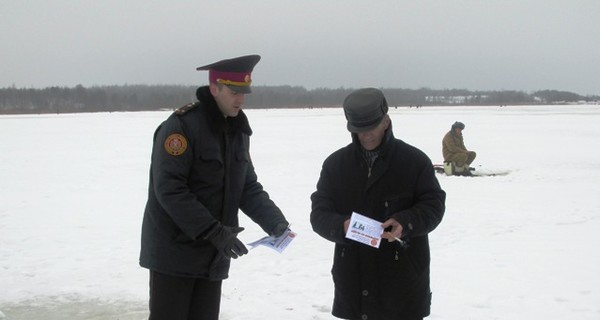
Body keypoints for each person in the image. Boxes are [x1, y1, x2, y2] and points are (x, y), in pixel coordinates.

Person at [139, 54, 290, 320]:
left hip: (213, 253)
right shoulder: (181, 127)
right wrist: (214, 232)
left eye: (244, 93)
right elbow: (170, 190)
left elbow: (247, 186)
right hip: (175, 253)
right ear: (214, 88)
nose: (241, 100)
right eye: (234, 92)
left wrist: (274, 221)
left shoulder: (237, 131)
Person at [310, 88, 446, 320]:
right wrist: (341, 226)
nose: (366, 136)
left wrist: (406, 223)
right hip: (354, 282)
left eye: (371, 128)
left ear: (386, 120)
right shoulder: (336, 165)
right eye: (359, 130)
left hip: (403, 282)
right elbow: (319, 213)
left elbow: (433, 205)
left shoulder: (414, 162)